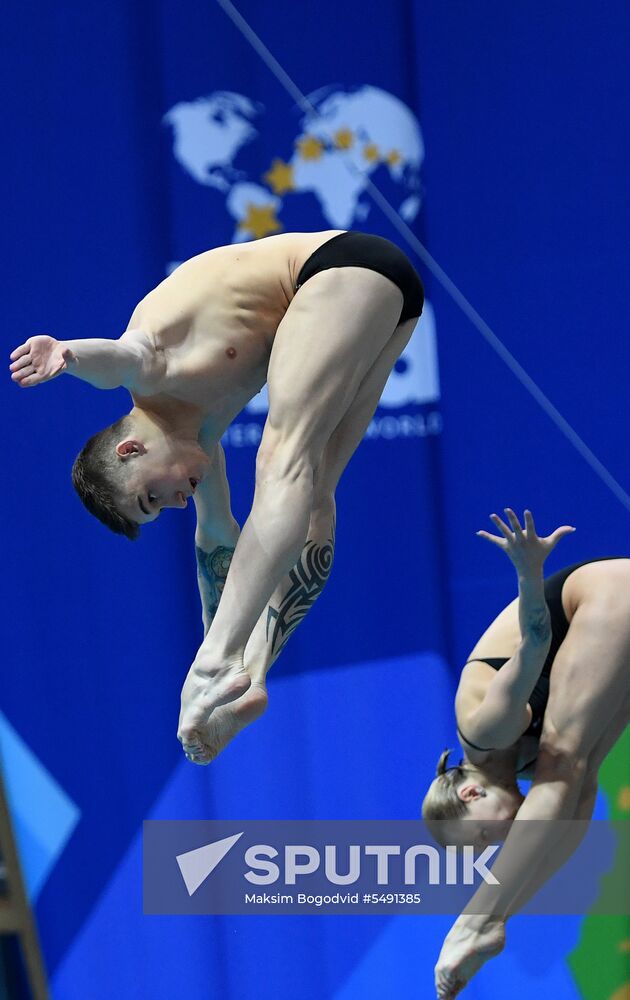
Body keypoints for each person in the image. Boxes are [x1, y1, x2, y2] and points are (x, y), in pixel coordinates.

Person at [9, 230, 424, 764]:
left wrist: (68, 353)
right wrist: (224, 638)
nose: (176, 504)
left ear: (132, 450)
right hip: (395, 303)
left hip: (336, 269)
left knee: (283, 461)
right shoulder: (198, 437)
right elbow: (218, 539)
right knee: (314, 493)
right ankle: (246, 674)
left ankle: (216, 665)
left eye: (151, 499)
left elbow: (120, 358)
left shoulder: (153, 371)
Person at [421, 509, 630, 998]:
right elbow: (590, 684)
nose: (503, 838)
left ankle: (474, 922)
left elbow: (538, 640)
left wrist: (529, 571)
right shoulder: (521, 764)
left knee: (563, 766)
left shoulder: (485, 730)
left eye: (486, 833)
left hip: (613, 589)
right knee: (578, 778)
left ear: (469, 791)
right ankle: (494, 920)